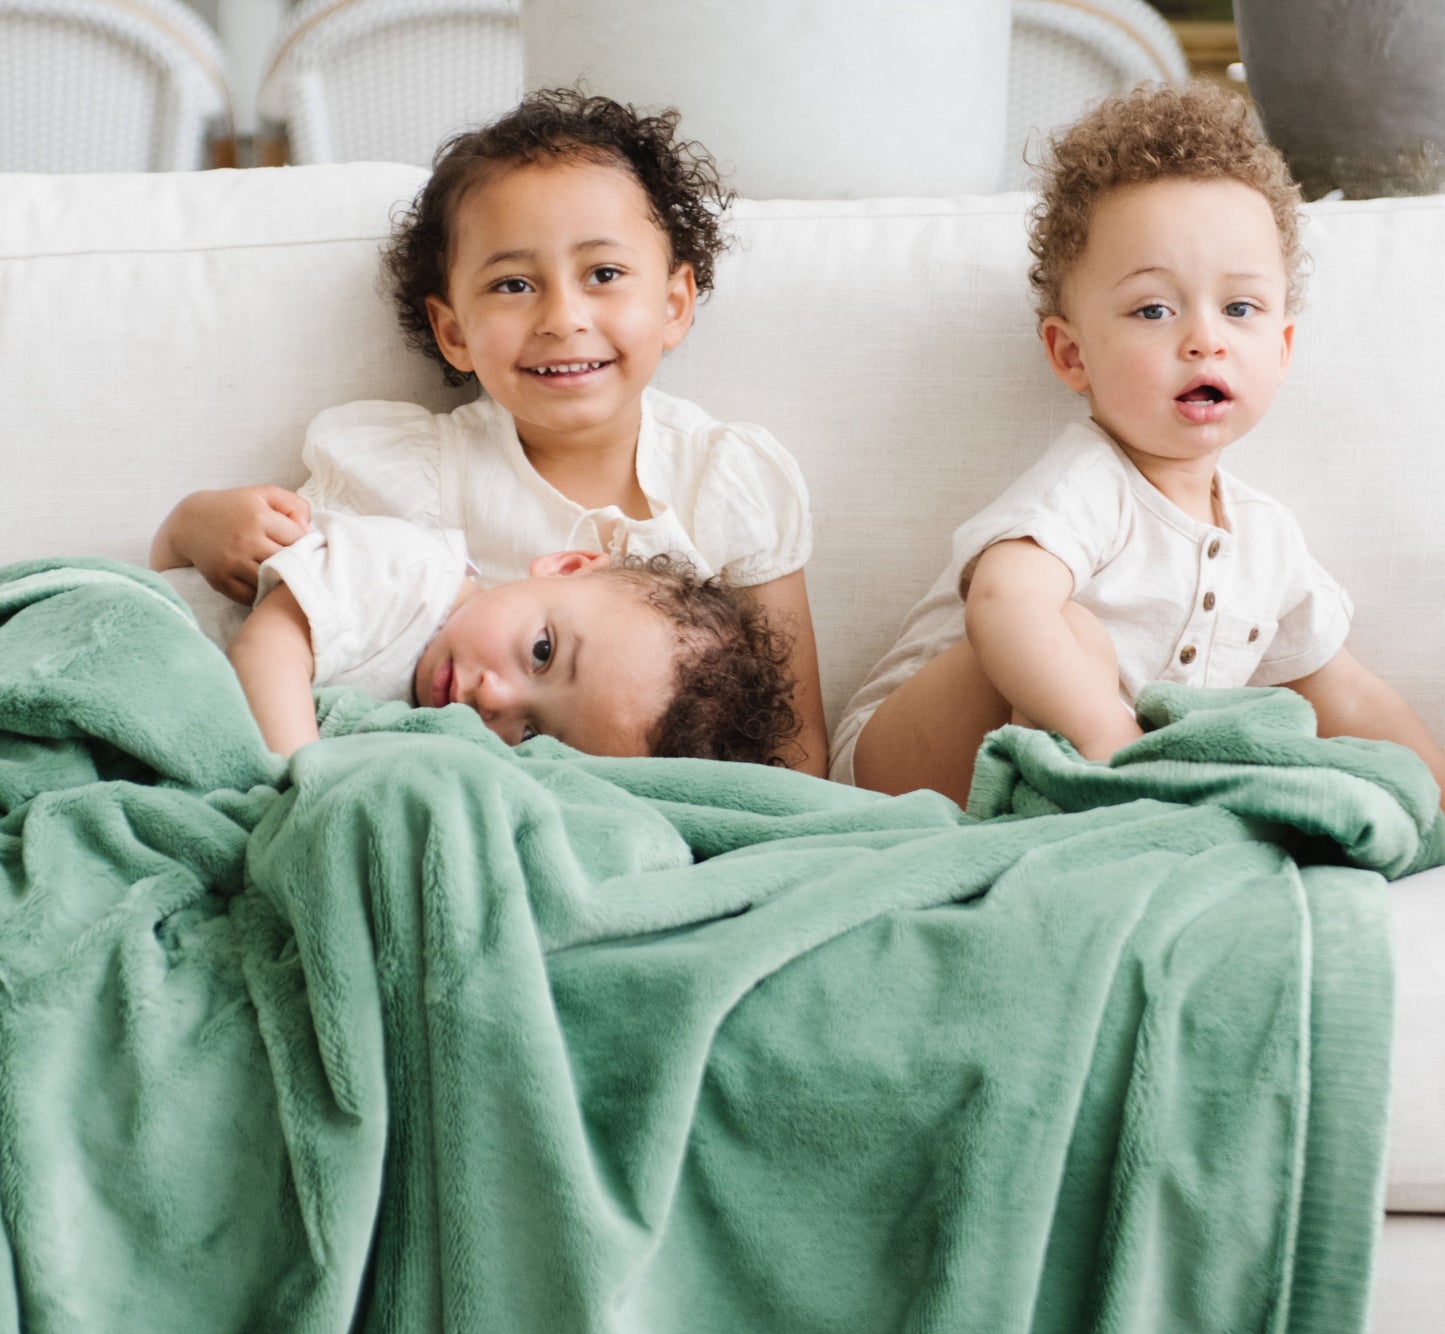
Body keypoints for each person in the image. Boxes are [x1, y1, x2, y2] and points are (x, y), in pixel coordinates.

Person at [150, 89, 828, 774]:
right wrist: (194, 525)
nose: (562, 317)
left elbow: (791, 749)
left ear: (673, 304)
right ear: (453, 331)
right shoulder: (412, 475)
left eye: (603, 273)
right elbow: (285, 611)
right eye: (512, 284)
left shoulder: (725, 479)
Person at [831, 82, 1445, 810]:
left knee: (1271, 725)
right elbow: (1002, 601)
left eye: (1239, 308)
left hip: (1087, 778)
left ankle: (1076, 819)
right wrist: (1109, 739)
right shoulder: (1089, 483)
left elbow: (1347, 692)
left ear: (1280, 350)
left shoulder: (1267, 540)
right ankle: (1074, 789)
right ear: (1070, 355)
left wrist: (1433, 792)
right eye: (1153, 308)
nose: (1204, 338)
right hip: (902, 766)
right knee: (1071, 633)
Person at [216, 507, 798, 762]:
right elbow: (267, 646)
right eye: (542, 653)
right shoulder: (410, 575)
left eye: (533, 736)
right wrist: (301, 788)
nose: (495, 700)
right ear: (567, 566)